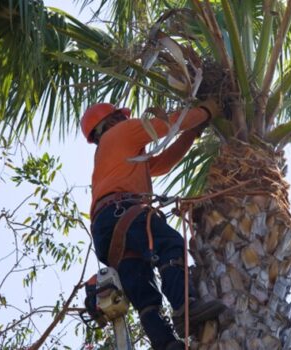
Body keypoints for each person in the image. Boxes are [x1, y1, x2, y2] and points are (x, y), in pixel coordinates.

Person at [82, 101, 226, 350]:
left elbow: (164, 163)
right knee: (170, 245)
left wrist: (193, 132)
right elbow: (167, 124)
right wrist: (208, 110)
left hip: (106, 229)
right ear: (114, 120)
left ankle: (166, 343)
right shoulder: (122, 133)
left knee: (143, 287)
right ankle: (185, 306)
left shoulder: (116, 152)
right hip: (123, 213)